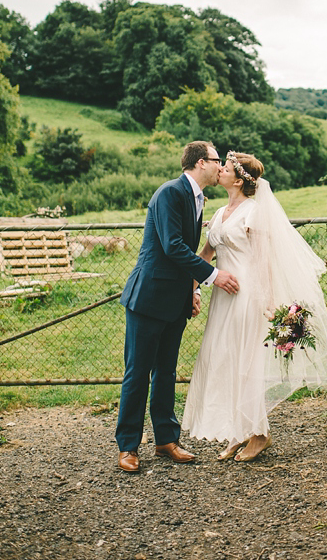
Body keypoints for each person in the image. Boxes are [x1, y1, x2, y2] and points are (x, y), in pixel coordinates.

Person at [182, 151, 327, 461]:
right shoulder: (219, 212)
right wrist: (192, 289)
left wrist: (268, 301)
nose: (220, 172)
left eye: (225, 169)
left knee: (246, 364)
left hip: (247, 295)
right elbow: (205, 256)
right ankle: (237, 431)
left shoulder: (254, 213)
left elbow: (262, 260)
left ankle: (260, 433)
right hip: (223, 297)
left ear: (239, 180)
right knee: (225, 359)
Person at [115, 141, 239, 473]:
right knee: (138, 374)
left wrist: (191, 292)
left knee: (166, 372)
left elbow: (180, 253)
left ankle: (166, 440)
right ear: (201, 162)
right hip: (148, 299)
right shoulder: (170, 193)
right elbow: (172, 246)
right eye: (217, 161)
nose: (220, 166)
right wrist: (213, 275)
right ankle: (128, 446)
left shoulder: (197, 198)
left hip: (174, 302)